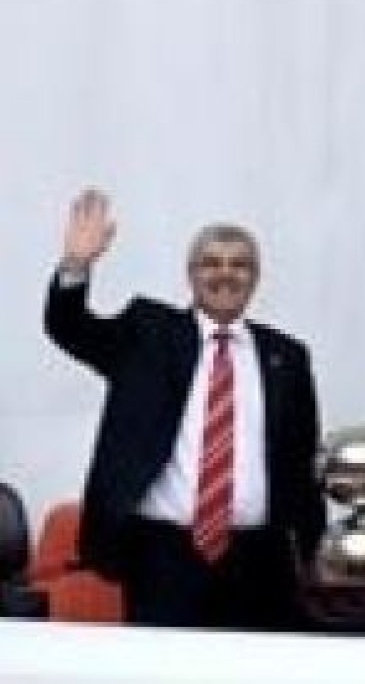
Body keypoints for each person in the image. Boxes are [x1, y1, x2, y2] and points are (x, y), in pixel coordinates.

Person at [43, 188, 325, 628]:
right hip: (163, 556)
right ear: (191, 275)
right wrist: (76, 265)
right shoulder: (147, 334)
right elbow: (69, 327)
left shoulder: (286, 356)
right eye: (211, 263)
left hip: (259, 559)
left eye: (240, 264)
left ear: (255, 278)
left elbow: (302, 460)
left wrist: (312, 550)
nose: (225, 273)